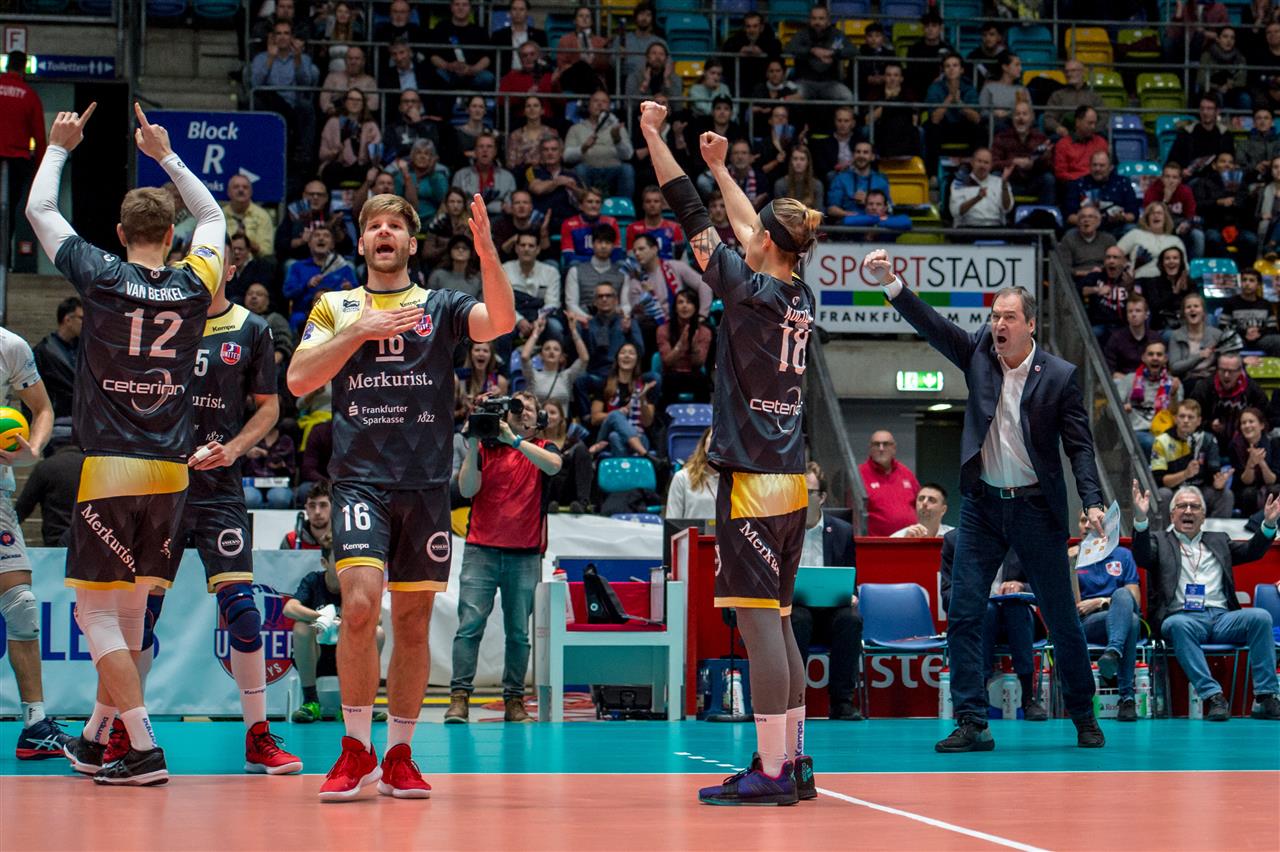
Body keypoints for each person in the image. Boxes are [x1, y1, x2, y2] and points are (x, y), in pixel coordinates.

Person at [286, 190, 515, 801]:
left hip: (426, 484)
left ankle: (400, 755)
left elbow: (500, 322)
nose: (384, 233)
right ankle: (355, 749)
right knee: (360, 607)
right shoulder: (336, 305)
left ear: (411, 244)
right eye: (374, 226)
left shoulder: (440, 305)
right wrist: (359, 330)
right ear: (362, 243)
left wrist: (488, 254)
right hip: (360, 480)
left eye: (395, 226)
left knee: (413, 622)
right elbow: (299, 379)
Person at [27, 103, 224, 785]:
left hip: (111, 465)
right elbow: (214, 216)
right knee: (132, 612)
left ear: (119, 233)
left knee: (95, 617)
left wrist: (59, 147)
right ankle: (94, 739)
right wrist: (165, 154)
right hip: (171, 469)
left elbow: (40, 211)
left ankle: (140, 746)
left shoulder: (102, 275)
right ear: (171, 235)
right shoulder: (195, 283)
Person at [640, 97, 823, 804]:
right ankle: (795, 761)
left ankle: (771, 772)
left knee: (759, 628)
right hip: (792, 482)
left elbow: (686, 209)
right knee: (781, 622)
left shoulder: (745, 291)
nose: (744, 234)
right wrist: (722, 168)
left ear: (766, 245)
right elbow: (750, 226)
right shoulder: (798, 293)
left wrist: (656, 137)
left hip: (751, 482)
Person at [866, 248, 1108, 752]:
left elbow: (1081, 448)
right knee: (964, 612)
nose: (998, 324)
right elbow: (932, 325)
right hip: (982, 506)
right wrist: (892, 283)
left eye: (1009, 317)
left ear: (1030, 325)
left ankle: (1084, 715)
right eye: (995, 316)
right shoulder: (978, 352)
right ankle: (972, 721)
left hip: (1036, 508)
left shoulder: (1059, 376)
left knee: (1062, 617)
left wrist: (1093, 501)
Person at [139, 252, 301, 774]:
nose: (204, 270)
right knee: (141, 615)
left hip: (219, 489)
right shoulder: (157, 321)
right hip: (161, 486)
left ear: (231, 271)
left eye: (215, 261)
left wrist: (233, 449)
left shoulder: (252, 328)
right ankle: (125, 733)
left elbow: (270, 407)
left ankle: (258, 737)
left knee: (244, 613)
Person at [447, 390, 561, 723]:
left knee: (519, 633)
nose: (521, 412)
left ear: (539, 419)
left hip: (524, 554)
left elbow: (554, 467)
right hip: (480, 549)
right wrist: (472, 443)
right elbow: (466, 489)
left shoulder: (543, 448)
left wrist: (514, 441)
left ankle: (514, 701)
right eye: (516, 408)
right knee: (469, 626)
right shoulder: (485, 449)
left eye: (529, 409)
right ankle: (459, 699)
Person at [1131, 480, 1280, 721]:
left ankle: (1265, 697)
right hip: (1183, 618)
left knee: (1260, 617)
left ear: (1203, 516)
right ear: (1172, 514)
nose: (1188, 511)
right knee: (1176, 625)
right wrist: (1140, 519)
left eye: (1195, 507)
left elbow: (1251, 551)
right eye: (1182, 506)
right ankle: (1213, 696)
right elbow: (1141, 555)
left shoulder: (1219, 540)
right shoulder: (1160, 542)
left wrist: (1269, 524)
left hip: (1222, 618)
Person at [0, 325, 65, 760]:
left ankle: (35, 724)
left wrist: (33, 449)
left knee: (21, 604)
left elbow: (42, 409)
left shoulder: (10, 346)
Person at [939, 530, 1046, 721]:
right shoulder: (955, 541)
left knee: (1015, 608)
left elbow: (1044, 588)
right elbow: (947, 597)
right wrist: (972, 592)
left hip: (1017, 622)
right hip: (979, 619)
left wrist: (1022, 586)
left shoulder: (1023, 536)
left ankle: (1028, 698)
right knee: (987, 609)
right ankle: (979, 697)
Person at [790, 463, 863, 721]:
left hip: (832, 611)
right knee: (797, 618)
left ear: (821, 497)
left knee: (850, 620)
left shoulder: (842, 531)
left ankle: (842, 702)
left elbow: (850, 578)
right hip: (797, 608)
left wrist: (851, 594)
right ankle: (793, 700)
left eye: (808, 492)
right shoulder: (784, 530)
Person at [285, 547, 387, 723]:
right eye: (338, 560)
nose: (344, 565)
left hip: (349, 657)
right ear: (324, 563)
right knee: (301, 628)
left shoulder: (356, 584)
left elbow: (377, 618)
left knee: (377, 633)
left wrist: (348, 622)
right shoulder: (313, 581)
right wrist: (321, 617)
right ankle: (311, 702)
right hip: (316, 658)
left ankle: (354, 705)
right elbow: (289, 608)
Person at [1151, 398, 1234, 519]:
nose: (1186, 420)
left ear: (1199, 421)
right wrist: (1185, 474)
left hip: (1201, 490)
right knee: (1162, 494)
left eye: (1190, 417)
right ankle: (1164, 531)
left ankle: (1216, 531)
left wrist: (1218, 483)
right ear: (1175, 418)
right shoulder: (1161, 441)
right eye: (1182, 416)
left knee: (1226, 495)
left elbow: (1214, 473)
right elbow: (1160, 480)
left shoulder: (1208, 440)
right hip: (1174, 490)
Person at [1, 50, 46, 269]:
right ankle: (5, 259)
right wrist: (41, 171)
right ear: (23, 68)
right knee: (9, 211)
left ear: (7, 65)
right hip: (16, 162)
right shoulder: (29, 95)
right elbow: (39, 137)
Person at [564, 89, 635, 202]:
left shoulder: (617, 127)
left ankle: (623, 207)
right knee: (580, 169)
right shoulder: (576, 128)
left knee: (627, 169)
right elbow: (566, 157)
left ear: (609, 107)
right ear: (589, 106)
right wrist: (583, 148)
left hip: (613, 170)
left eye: (604, 101)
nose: (600, 104)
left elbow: (628, 155)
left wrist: (617, 139)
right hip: (589, 169)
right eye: (595, 101)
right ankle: (584, 206)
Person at [588, 342, 656, 458]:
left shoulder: (644, 387)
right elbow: (595, 418)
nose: (626, 356)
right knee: (615, 415)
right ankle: (645, 454)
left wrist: (642, 398)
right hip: (605, 438)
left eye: (631, 353)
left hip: (637, 436)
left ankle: (626, 467)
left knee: (615, 437)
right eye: (623, 353)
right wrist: (619, 413)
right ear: (617, 358)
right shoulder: (605, 384)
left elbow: (647, 422)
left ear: (637, 360)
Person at [283, 227, 359, 331]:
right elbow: (287, 293)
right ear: (309, 243)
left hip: (337, 315)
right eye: (317, 235)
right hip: (305, 314)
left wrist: (351, 289)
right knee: (296, 319)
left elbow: (358, 296)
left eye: (326, 236)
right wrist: (306, 285)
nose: (321, 238)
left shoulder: (344, 268)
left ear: (332, 244)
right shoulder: (297, 267)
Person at [15, 438, 84, 547]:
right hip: (89, 543)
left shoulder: (45, 467)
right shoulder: (94, 467)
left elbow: (22, 508)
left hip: (56, 545)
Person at [1193, 150, 1257, 262]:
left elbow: (1247, 206)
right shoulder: (1203, 182)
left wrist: (1237, 201)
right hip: (1213, 226)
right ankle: (1227, 268)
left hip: (1237, 227)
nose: (1227, 165)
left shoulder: (1241, 183)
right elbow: (1198, 205)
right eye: (1223, 161)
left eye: (1230, 162)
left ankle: (1243, 271)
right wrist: (1218, 202)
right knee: (1213, 238)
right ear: (1214, 165)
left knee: (1251, 239)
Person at [786, 4, 856, 104]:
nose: (817, 22)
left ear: (828, 20)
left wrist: (833, 53)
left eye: (821, 18)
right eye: (814, 18)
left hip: (830, 83)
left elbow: (853, 50)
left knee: (847, 96)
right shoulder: (802, 34)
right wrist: (812, 51)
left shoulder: (836, 34)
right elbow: (789, 48)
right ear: (809, 20)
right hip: (804, 82)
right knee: (791, 97)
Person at [925, 54, 983, 174]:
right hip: (943, 128)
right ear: (943, 70)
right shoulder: (935, 88)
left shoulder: (969, 88)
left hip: (963, 127)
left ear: (961, 70)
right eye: (948, 66)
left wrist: (959, 103)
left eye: (955, 65)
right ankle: (932, 175)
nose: (951, 69)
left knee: (980, 130)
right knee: (931, 128)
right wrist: (949, 98)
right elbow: (935, 119)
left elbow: (976, 118)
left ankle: (976, 171)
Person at [656, 287, 713, 407]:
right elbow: (667, 362)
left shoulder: (704, 332)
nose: (684, 306)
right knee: (670, 381)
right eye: (680, 302)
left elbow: (699, 364)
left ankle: (702, 417)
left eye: (689, 302)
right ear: (675, 308)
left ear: (695, 307)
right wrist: (680, 345)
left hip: (693, 373)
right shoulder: (663, 330)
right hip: (671, 373)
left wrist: (694, 348)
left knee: (703, 381)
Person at [991, 101, 1054, 205]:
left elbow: (1050, 166)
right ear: (1012, 118)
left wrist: (1036, 162)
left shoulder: (1040, 138)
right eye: (1017, 114)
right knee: (996, 176)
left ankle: (1045, 213)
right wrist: (1013, 162)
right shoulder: (1002, 137)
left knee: (1048, 178)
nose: (1021, 118)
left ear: (1032, 118)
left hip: (1033, 182)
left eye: (1024, 114)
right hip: (1010, 182)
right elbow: (993, 163)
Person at [519, 315, 588, 411]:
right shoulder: (533, 376)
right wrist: (536, 333)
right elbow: (524, 357)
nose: (551, 352)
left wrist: (574, 331)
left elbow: (584, 358)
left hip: (561, 420)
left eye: (556, 349)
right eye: (547, 349)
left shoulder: (567, 376)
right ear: (541, 355)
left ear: (561, 357)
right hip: (539, 420)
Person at [859, 431, 921, 536]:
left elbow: (919, 504)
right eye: (876, 444)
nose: (881, 449)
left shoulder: (906, 472)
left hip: (908, 540)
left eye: (886, 444)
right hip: (876, 543)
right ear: (870, 448)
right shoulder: (860, 474)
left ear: (894, 448)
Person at [31, 296, 81, 423]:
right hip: (56, 420)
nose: (85, 323)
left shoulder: (85, 348)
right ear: (68, 319)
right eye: (81, 318)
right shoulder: (44, 350)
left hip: (81, 419)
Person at [502, 232, 562, 338]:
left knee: (555, 327)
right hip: (513, 314)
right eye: (522, 245)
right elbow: (502, 303)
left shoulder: (551, 272)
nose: (526, 249)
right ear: (516, 248)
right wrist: (519, 320)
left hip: (541, 316)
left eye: (531, 246)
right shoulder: (504, 269)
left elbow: (552, 303)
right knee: (502, 330)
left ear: (538, 249)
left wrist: (539, 319)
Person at [1065, 151, 1139, 237]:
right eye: (1094, 165)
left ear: (1110, 167)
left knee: (1132, 229)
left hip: (1116, 227)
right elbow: (1070, 217)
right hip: (1086, 229)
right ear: (1090, 166)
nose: (1097, 169)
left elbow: (1133, 215)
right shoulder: (1078, 184)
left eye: (1102, 165)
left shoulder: (1123, 183)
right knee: (1070, 234)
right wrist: (1088, 221)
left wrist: (1121, 217)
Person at [427, 0, 495, 91]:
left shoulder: (479, 31)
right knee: (435, 74)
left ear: (470, 8)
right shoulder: (441, 28)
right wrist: (448, 65)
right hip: (448, 72)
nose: (460, 8)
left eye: (464, 5)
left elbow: (487, 57)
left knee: (488, 77)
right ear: (451, 7)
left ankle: (473, 98)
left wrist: (472, 69)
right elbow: (433, 55)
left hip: (473, 74)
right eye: (457, 4)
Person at [1144, 162, 1203, 258]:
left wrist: (1187, 223)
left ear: (1180, 180)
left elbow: (1191, 214)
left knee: (1198, 235)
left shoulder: (1185, 191)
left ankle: (1194, 266)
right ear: (1162, 178)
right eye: (1167, 177)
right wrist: (1166, 200)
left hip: (1179, 224)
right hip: (1159, 226)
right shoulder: (1152, 190)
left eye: (1174, 177)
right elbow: (1150, 216)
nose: (1170, 181)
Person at [451, 133, 516, 216]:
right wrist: (497, 206)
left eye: (489, 146)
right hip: (468, 218)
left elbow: (508, 207)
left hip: (499, 219)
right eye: (481, 146)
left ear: (495, 151)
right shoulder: (460, 175)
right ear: (475, 151)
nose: (485, 150)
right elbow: (455, 204)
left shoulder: (507, 177)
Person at [1229, 406, 1280, 510]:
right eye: (1243, 423)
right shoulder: (1234, 446)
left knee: (1274, 491)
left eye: (1251, 421)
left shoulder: (1274, 443)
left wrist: (1261, 463)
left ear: (1261, 425)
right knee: (1248, 493)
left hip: (1271, 485)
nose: (1247, 425)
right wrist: (1251, 463)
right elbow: (1245, 481)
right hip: (1245, 489)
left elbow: (1272, 480)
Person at [949, 148, 1014, 228]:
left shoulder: (1000, 182)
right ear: (972, 162)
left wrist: (1004, 184)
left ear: (991, 166)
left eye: (986, 162)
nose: (982, 165)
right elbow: (955, 211)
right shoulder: (960, 182)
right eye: (979, 161)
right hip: (968, 228)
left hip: (995, 227)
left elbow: (1007, 208)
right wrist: (977, 198)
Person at [1116, 203, 1184, 280]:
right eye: (1152, 213)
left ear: (1166, 218)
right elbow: (1114, 254)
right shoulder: (1135, 234)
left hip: (1166, 283)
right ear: (1147, 218)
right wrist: (1127, 268)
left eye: (1159, 213)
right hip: (1138, 281)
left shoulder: (1175, 241)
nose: (1156, 216)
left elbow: (1184, 268)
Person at [720, 12, 783, 94]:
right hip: (741, 80)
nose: (751, 30)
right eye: (748, 26)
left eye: (755, 26)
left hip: (762, 81)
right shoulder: (737, 39)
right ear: (744, 28)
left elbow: (777, 48)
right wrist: (740, 49)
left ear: (761, 27)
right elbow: (726, 49)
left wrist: (762, 50)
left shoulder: (770, 40)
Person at [1167, 97, 1235, 173]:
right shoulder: (1186, 133)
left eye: (1209, 109)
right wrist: (1182, 171)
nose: (1205, 112)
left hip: (1218, 176)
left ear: (1217, 111)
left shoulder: (1225, 135)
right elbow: (1173, 160)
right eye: (1202, 109)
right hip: (1191, 177)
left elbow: (1231, 162)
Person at [1222, 268, 1280, 355]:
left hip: (1261, 339)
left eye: (1251, 280)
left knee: (1277, 340)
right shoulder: (1230, 303)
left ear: (1258, 285)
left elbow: (1272, 329)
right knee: (1227, 339)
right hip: (1239, 339)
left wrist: (1259, 332)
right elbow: (1223, 327)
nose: (1247, 283)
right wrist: (1244, 332)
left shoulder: (1266, 304)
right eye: (1244, 280)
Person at [1043, 60, 1106, 139]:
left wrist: (1093, 129)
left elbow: (1104, 117)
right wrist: (1058, 128)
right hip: (1064, 137)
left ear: (1083, 72)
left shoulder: (1094, 96)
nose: (1069, 74)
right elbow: (1048, 118)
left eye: (1073, 71)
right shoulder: (1057, 95)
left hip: (1090, 136)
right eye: (1066, 71)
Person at [1169, 292, 1223, 383]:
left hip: (1211, 380)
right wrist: (1199, 356)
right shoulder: (1176, 335)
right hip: (1186, 380)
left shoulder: (1217, 334)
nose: (1192, 309)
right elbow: (1174, 367)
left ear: (1203, 312)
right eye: (1188, 307)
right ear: (1184, 313)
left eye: (1196, 306)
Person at [1104, 294, 1162, 377]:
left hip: (1150, 379)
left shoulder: (1155, 338)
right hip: (1123, 380)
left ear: (1146, 314)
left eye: (1138, 311)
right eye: (1130, 311)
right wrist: (1130, 381)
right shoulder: (1116, 339)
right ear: (1127, 316)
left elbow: (1163, 365)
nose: (1133, 314)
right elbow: (1109, 370)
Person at [665, 428, 717, 519]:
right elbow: (672, 520)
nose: (716, 441)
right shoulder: (682, 477)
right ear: (704, 443)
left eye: (723, 437)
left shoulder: (738, 480)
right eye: (712, 436)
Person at [903, 11, 956, 101]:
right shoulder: (914, 49)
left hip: (941, 90)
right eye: (927, 26)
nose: (930, 29)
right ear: (923, 29)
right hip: (919, 90)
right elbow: (911, 74)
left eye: (934, 26)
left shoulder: (948, 49)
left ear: (940, 28)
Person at [1057, 204, 1118, 281]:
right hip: (1077, 280)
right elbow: (1064, 268)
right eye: (1083, 217)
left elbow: (1114, 264)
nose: (1086, 220)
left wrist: (1101, 271)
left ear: (1098, 222)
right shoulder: (1068, 239)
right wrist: (1087, 273)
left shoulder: (1108, 239)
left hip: (1103, 278)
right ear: (1078, 222)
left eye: (1090, 217)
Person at [221, 175, 275, 260]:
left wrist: (246, 242)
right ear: (228, 192)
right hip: (224, 260)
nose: (241, 190)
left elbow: (266, 252)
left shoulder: (262, 216)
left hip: (254, 263)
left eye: (245, 187)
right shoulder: (220, 215)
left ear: (251, 192)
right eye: (236, 187)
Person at [626, 185, 685, 260]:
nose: (652, 204)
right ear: (643, 205)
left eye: (656, 201)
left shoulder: (674, 228)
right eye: (648, 201)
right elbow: (631, 258)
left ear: (662, 205)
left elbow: (681, 258)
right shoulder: (633, 229)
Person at [1053, 106, 1108, 185]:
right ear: (1078, 122)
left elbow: (1107, 169)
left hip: (1098, 185)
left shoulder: (1101, 142)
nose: (1093, 127)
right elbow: (1060, 174)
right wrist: (1082, 180)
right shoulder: (1063, 144)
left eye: (1095, 123)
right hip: (1073, 185)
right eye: (1090, 123)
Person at [490, 0, 547, 76]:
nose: (518, 13)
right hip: (506, 76)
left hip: (533, 76)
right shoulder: (498, 35)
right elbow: (493, 61)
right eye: (514, 9)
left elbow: (544, 59)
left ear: (527, 12)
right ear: (510, 12)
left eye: (521, 9)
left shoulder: (539, 35)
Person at [319, 43, 378, 116]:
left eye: (357, 59)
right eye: (350, 58)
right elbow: (324, 100)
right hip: (336, 115)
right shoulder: (332, 77)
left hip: (361, 117)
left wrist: (356, 111)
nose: (353, 62)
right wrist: (331, 110)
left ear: (363, 61)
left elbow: (374, 104)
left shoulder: (369, 81)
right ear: (345, 61)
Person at [978, 51, 1028, 131]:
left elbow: (1029, 112)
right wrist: (994, 114)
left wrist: (1008, 114)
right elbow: (982, 112)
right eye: (1016, 65)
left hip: (1017, 124)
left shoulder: (1022, 90)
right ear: (1005, 67)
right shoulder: (989, 88)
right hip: (995, 125)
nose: (1020, 68)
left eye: (1020, 65)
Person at [281, 479, 332, 550]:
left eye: (323, 505)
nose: (317, 512)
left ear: (333, 508)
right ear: (306, 509)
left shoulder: (344, 539)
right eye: (312, 506)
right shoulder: (291, 540)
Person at [773, 146, 824, 213]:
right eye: (795, 159)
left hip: (810, 219)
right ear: (791, 162)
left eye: (802, 159)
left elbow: (818, 213)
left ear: (808, 162)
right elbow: (780, 213)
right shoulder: (780, 184)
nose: (798, 162)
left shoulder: (817, 185)